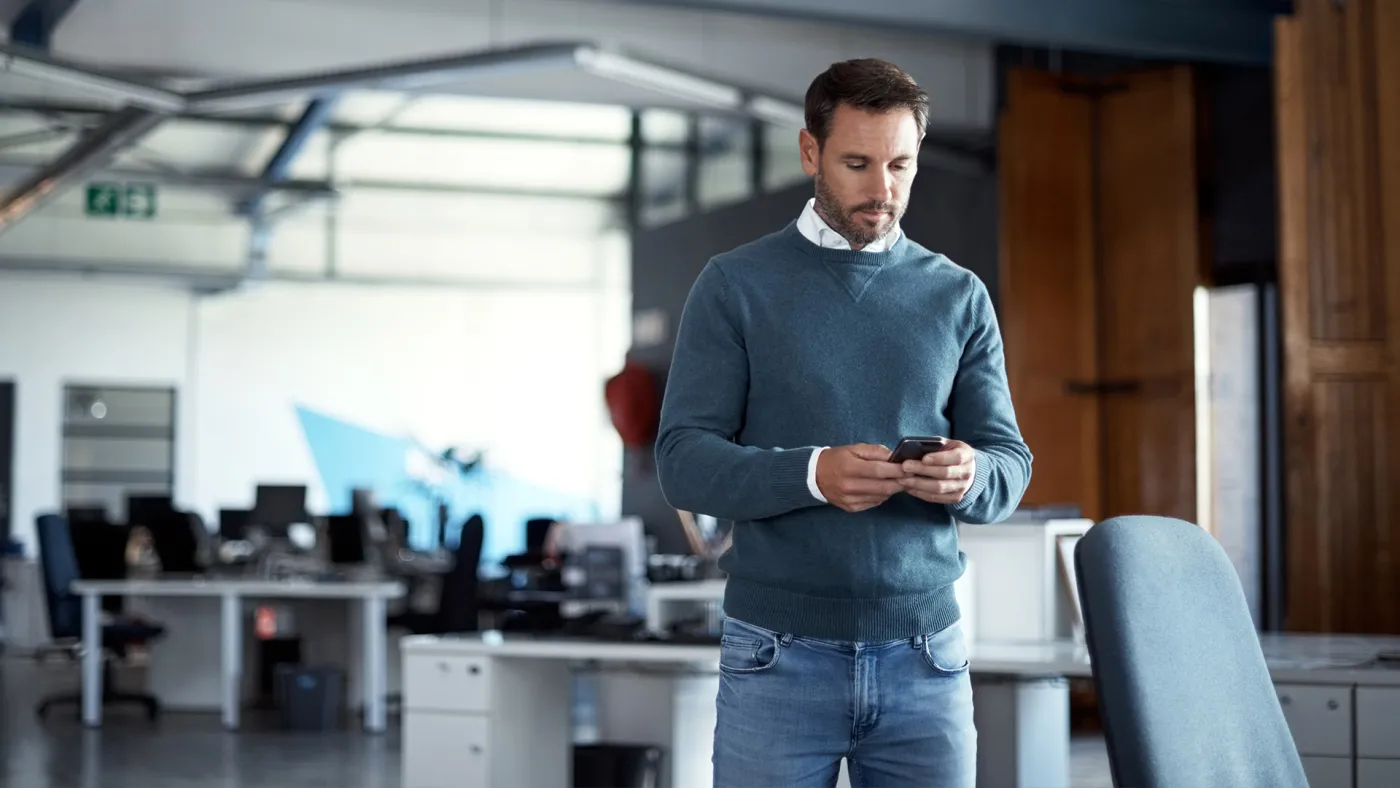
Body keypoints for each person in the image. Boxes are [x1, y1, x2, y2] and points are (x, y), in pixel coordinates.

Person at [654, 58, 1032, 787]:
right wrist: (812, 474)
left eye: (901, 164)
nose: (882, 189)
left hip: (927, 657)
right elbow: (682, 459)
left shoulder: (958, 296)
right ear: (810, 153)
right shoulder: (734, 285)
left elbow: (1008, 464)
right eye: (857, 163)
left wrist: (971, 473)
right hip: (776, 657)